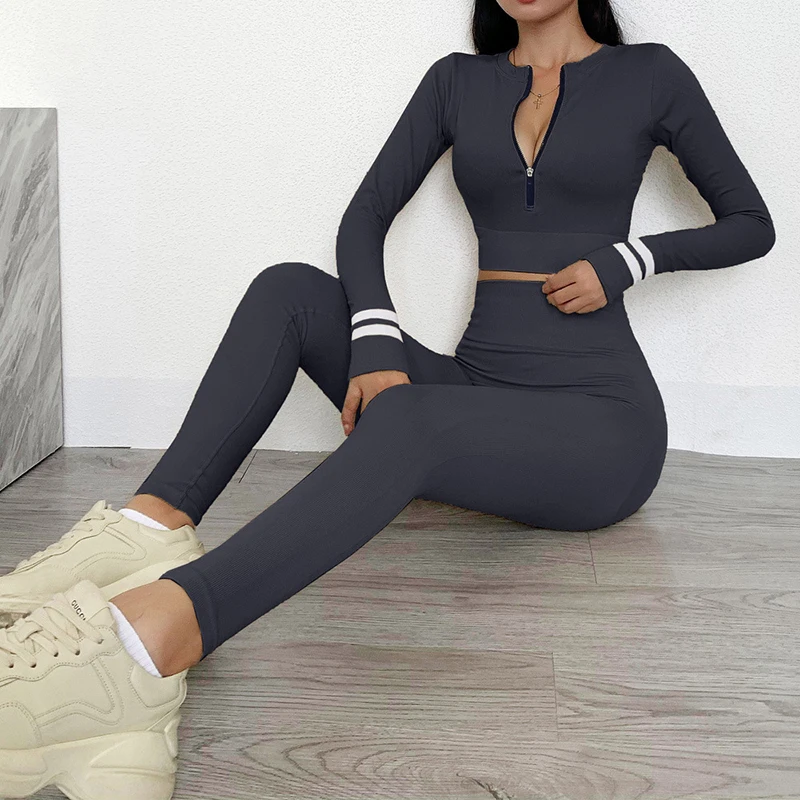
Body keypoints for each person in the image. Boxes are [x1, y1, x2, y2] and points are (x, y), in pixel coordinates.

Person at [0, 0, 775, 796]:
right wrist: (374, 338)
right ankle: (149, 529)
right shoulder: (457, 82)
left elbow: (752, 222)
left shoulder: (650, 75)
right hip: (473, 390)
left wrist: (630, 259)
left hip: (601, 425)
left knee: (409, 417)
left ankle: (144, 651)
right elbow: (366, 215)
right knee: (289, 293)